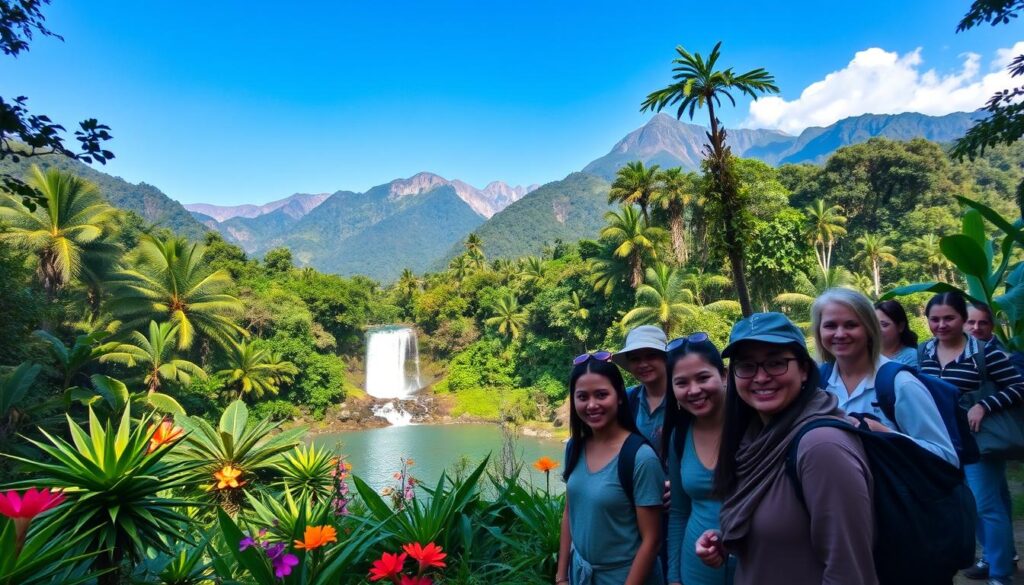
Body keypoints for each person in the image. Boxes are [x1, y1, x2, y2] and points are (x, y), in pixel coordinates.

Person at [694, 312, 877, 585]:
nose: (761, 377)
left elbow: (849, 573)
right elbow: (787, 533)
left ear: (804, 370)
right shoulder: (756, 440)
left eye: (776, 363)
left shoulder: (822, 448)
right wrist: (731, 539)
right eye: (746, 366)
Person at [921, 292, 1024, 585]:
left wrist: (984, 405)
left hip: (980, 441)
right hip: (943, 441)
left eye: (949, 318)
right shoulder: (923, 352)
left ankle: (1000, 574)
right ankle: (993, 557)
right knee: (975, 502)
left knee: (985, 504)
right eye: (935, 319)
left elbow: (1018, 386)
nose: (941, 325)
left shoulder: (984, 352)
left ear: (963, 320)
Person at [813, 289, 958, 466]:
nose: (840, 334)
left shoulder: (900, 384)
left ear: (869, 329)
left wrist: (884, 434)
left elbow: (947, 457)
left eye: (851, 325)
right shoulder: (818, 385)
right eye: (830, 326)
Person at [557, 352, 666, 585]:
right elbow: (570, 512)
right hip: (581, 575)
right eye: (582, 397)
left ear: (619, 396)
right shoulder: (575, 447)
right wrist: (561, 576)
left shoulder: (640, 458)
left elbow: (652, 540)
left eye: (601, 395)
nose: (592, 405)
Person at [662, 333, 735, 585]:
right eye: (681, 383)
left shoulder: (755, 424)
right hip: (695, 568)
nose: (694, 390)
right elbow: (679, 512)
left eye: (703, 378)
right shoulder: (679, 436)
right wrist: (673, 578)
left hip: (754, 564)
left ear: (724, 376)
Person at [613, 326, 669, 455]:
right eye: (635, 359)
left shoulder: (683, 398)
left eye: (651, 356)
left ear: (665, 358)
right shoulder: (627, 399)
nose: (643, 364)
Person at [967, 302, 1024, 376]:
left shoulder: (1009, 357)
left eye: (983, 323)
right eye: (971, 322)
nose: (976, 327)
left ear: (992, 326)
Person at [874, 299, 919, 368]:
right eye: (874, 324)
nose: (877, 329)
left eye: (884, 325)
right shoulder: (867, 354)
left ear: (901, 326)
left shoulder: (912, 357)